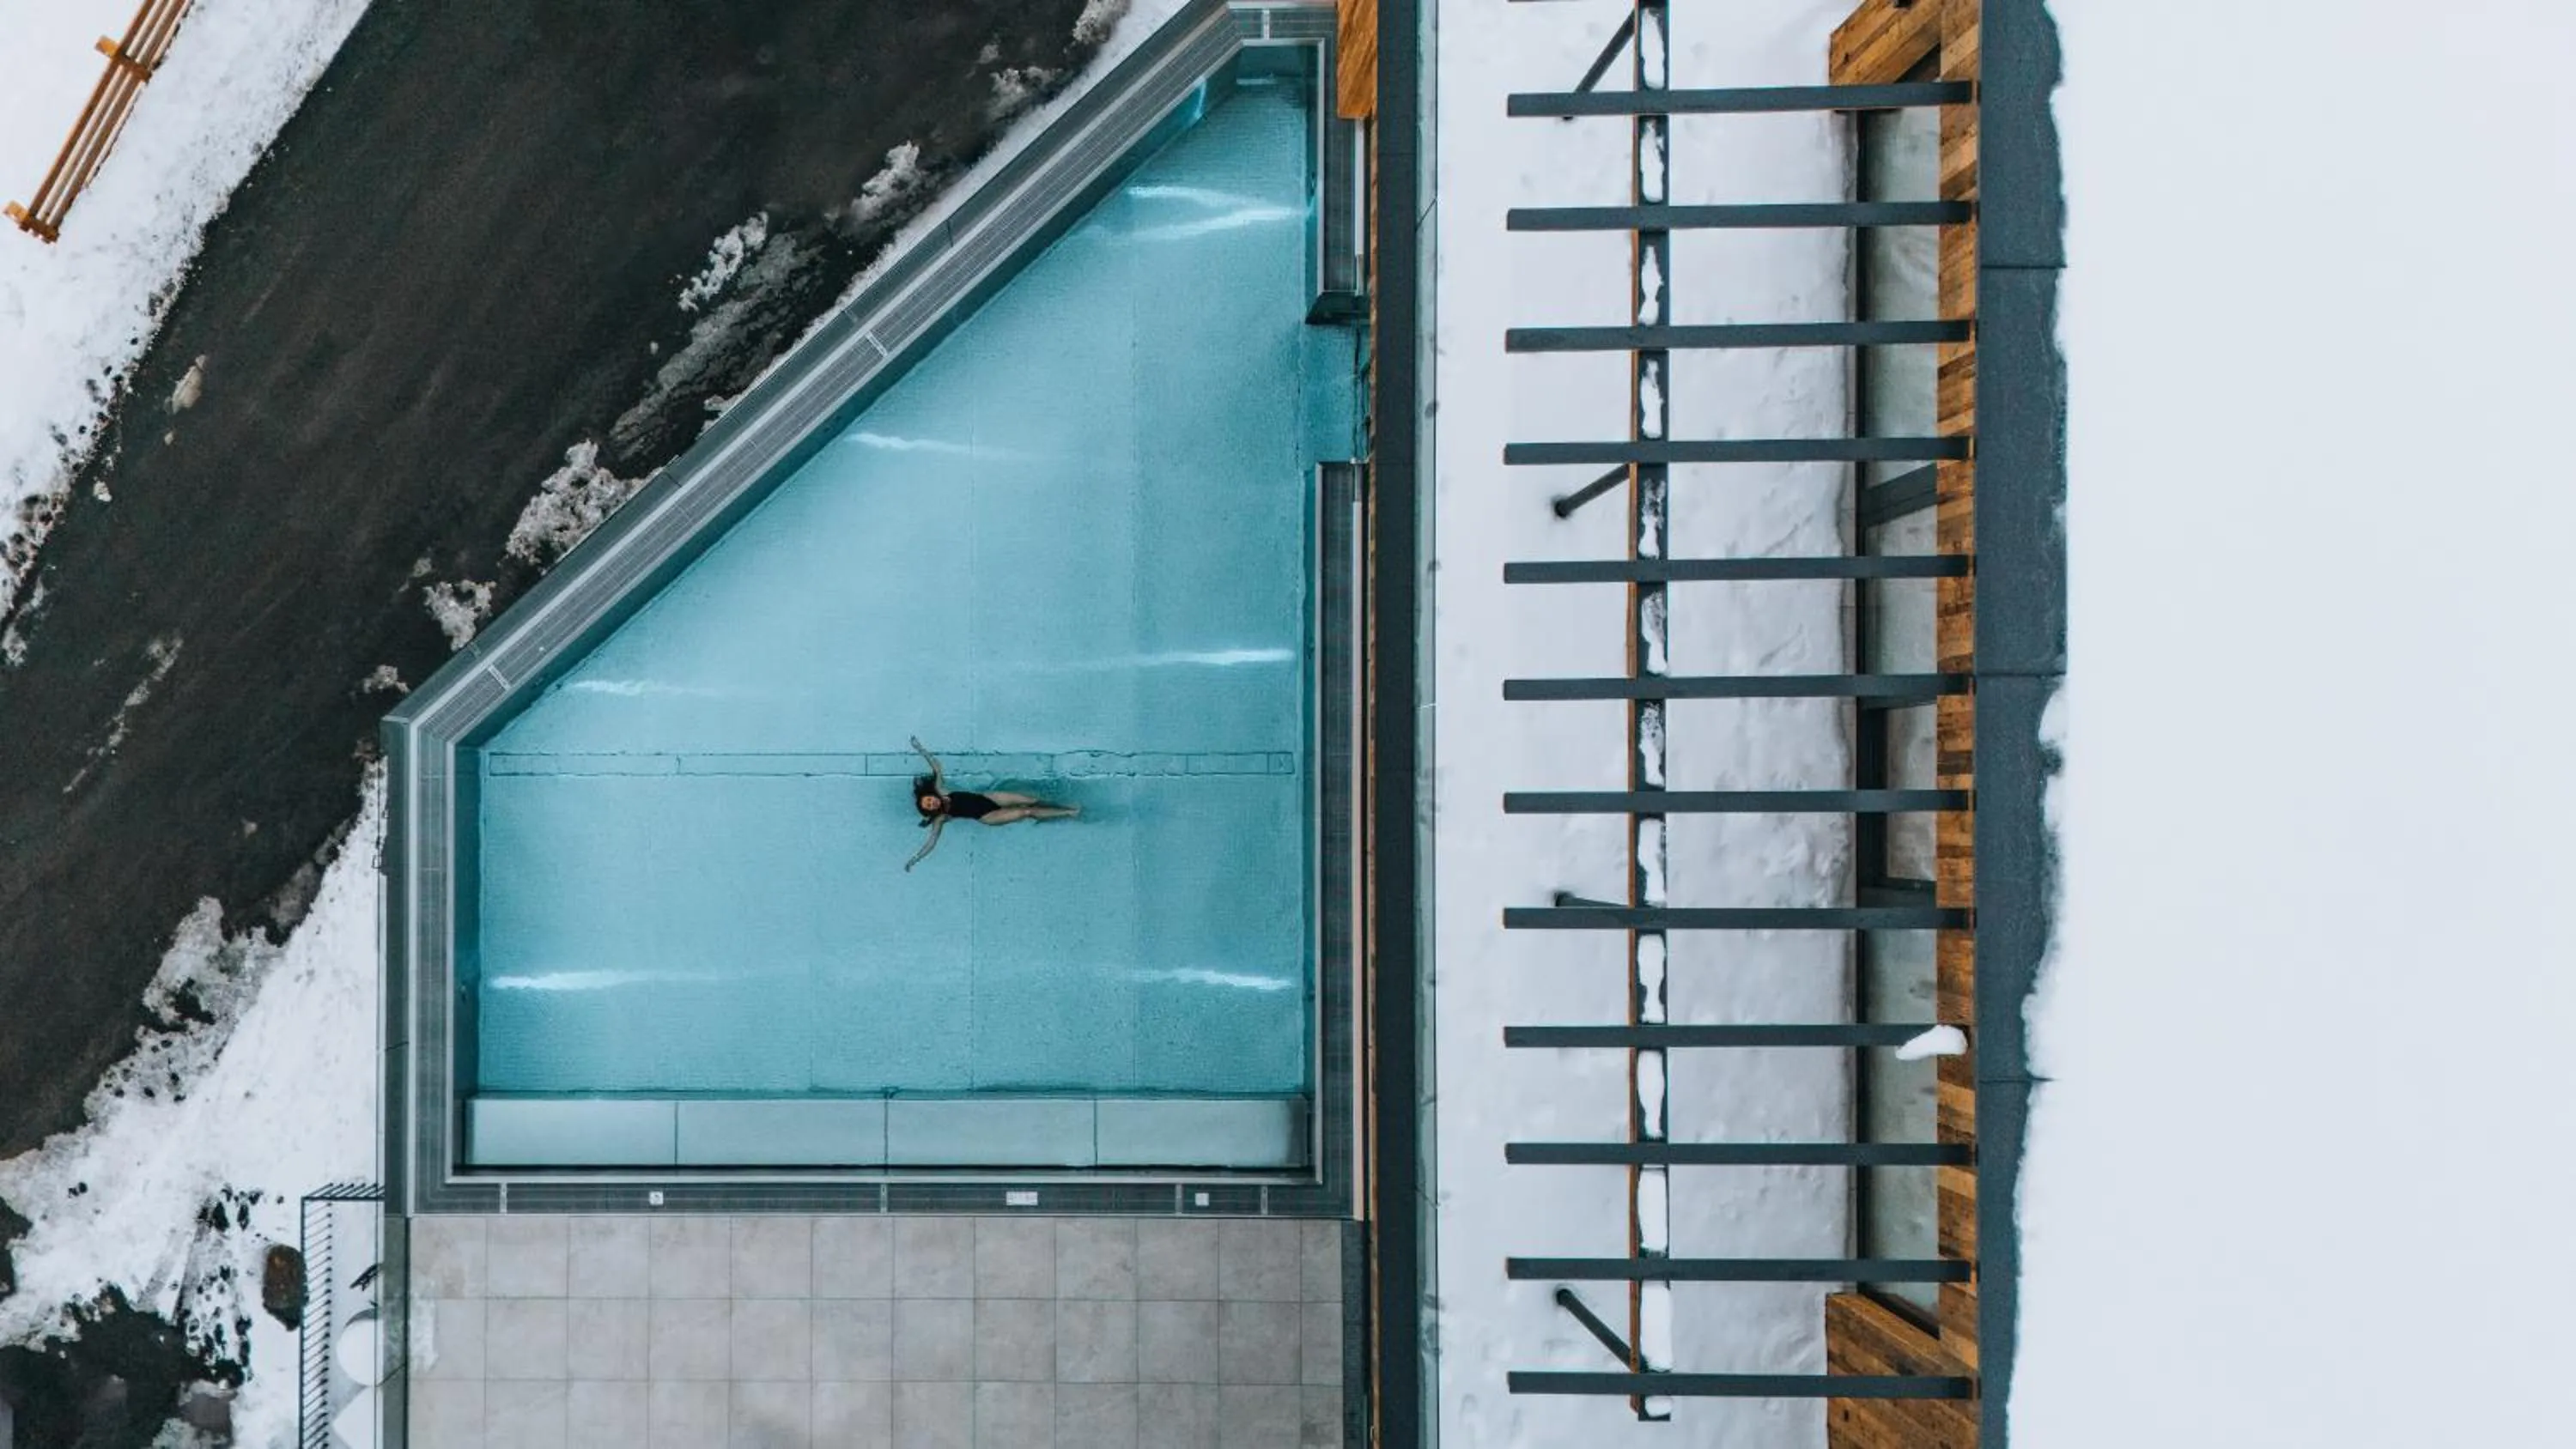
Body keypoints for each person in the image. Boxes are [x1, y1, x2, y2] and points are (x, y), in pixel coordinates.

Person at [904, 736, 1078, 871]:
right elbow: (932, 841)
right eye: (929, 807)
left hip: (989, 797)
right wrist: (915, 859)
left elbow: (937, 767)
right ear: (932, 812)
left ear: (930, 795)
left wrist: (920, 748)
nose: (932, 803)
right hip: (987, 816)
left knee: (1031, 800)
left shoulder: (941, 790)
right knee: (1026, 812)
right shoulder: (941, 818)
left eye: (929, 800)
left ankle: (1061, 804)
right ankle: (1068, 813)